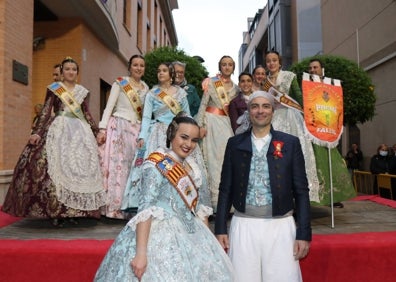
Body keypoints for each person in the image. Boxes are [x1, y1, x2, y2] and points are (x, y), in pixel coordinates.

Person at [95, 113, 234, 281]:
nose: (188, 144)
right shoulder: (155, 164)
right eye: (184, 137)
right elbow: (146, 209)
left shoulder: (195, 168)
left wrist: (206, 250)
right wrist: (141, 254)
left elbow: (201, 210)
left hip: (192, 232)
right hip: (158, 232)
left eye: (194, 140)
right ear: (171, 135)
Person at [215, 91, 311, 281]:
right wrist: (220, 229)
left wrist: (304, 233)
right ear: (248, 111)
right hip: (243, 225)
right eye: (255, 106)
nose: (260, 111)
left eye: (266, 106)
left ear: (273, 110)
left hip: (281, 226)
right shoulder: (234, 144)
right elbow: (225, 189)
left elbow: (301, 191)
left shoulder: (290, 143)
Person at [2, 57, 106, 227]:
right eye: (67, 69)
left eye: (74, 69)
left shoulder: (82, 91)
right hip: (59, 129)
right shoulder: (55, 89)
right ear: (62, 73)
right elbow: (45, 111)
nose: (71, 72)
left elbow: (86, 114)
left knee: (78, 170)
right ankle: (57, 212)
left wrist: (96, 131)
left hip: (80, 133)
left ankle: (75, 212)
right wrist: (37, 132)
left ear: (77, 73)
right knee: (56, 170)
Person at [122, 62, 205, 210]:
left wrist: (194, 133)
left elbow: (187, 115)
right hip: (158, 134)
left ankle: (183, 200)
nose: (160, 73)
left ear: (171, 74)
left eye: (164, 70)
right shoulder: (152, 93)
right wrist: (142, 137)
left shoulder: (181, 93)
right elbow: (146, 117)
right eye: (158, 70)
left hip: (179, 134)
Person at [96, 55, 149, 219]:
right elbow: (109, 106)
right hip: (119, 126)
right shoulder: (120, 83)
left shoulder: (146, 88)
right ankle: (115, 208)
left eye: (141, 65)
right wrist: (102, 128)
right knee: (118, 167)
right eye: (135, 65)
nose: (138, 68)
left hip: (137, 130)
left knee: (134, 168)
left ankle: (130, 206)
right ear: (129, 67)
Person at [264, 50, 321, 203]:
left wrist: (310, 115)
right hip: (272, 120)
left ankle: (299, 196)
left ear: (279, 62)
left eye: (274, 60)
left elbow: (298, 96)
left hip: (291, 118)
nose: (271, 63)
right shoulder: (264, 83)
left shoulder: (290, 76)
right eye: (268, 61)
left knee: (295, 155)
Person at [307, 58, 356, 208]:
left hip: (328, 131)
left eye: (315, 67)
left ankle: (334, 197)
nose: (313, 70)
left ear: (322, 70)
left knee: (333, 165)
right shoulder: (306, 86)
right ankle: (316, 198)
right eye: (310, 68)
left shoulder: (330, 86)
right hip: (313, 132)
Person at [195, 55, 238, 209]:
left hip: (226, 125)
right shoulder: (212, 83)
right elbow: (203, 103)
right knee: (211, 161)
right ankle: (212, 202)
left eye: (230, 65)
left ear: (233, 68)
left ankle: (227, 201)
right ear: (220, 67)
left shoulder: (236, 88)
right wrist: (200, 124)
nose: (227, 67)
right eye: (224, 64)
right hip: (210, 122)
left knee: (224, 159)